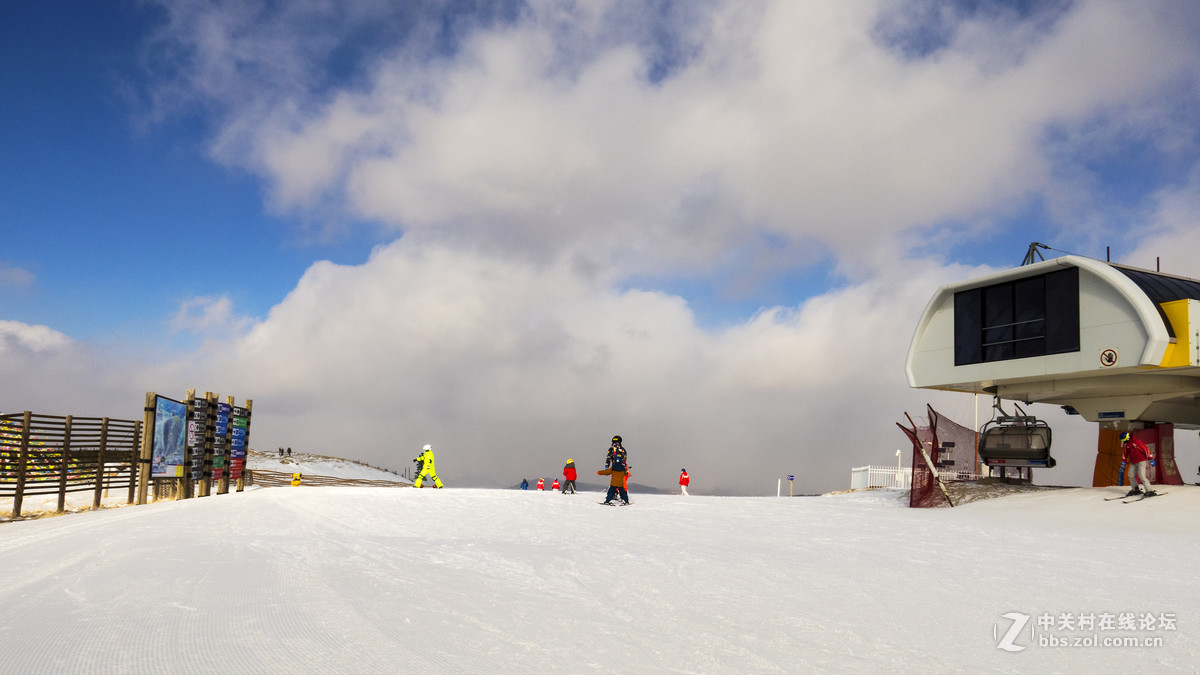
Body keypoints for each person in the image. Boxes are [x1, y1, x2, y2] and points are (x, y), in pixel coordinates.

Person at [597, 435, 630, 505]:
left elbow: (608, 458)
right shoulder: (623, 450)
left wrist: (607, 466)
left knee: (612, 487)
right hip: (621, 469)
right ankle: (625, 500)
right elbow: (624, 460)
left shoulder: (611, 449)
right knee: (622, 487)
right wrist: (625, 469)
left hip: (614, 469)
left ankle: (609, 499)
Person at [1121, 432, 1156, 497]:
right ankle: (1135, 489)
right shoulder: (1126, 444)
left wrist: (1151, 459)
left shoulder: (1136, 442)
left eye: (1124, 440)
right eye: (1122, 440)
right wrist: (1123, 462)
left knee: (1142, 476)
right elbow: (1125, 453)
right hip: (1133, 461)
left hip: (1141, 461)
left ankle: (1150, 490)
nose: (1123, 441)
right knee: (1131, 475)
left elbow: (1146, 450)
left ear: (1127, 438)